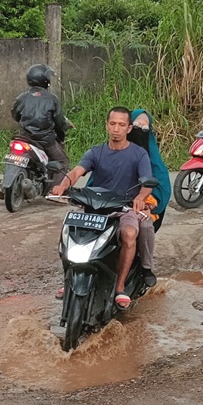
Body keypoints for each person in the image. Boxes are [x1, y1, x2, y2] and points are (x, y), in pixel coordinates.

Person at [51, 106, 154, 310]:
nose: (116, 129)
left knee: (130, 233)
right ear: (107, 125)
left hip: (123, 208)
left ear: (129, 128)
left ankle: (120, 286)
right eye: (113, 124)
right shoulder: (96, 152)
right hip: (95, 208)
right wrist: (62, 186)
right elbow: (77, 171)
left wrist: (141, 198)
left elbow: (147, 183)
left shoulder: (139, 154)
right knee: (67, 232)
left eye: (121, 125)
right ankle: (69, 279)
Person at [125, 109, 171, 287]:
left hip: (143, 209)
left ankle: (146, 268)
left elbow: (162, 188)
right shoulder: (114, 151)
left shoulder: (153, 160)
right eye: (136, 126)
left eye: (144, 128)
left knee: (144, 224)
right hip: (116, 204)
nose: (139, 131)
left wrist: (150, 203)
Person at [10, 64, 73, 189]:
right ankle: (55, 191)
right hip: (45, 140)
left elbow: (15, 115)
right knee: (63, 161)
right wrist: (66, 127)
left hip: (24, 138)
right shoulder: (52, 99)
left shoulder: (21, 98)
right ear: (45, 80)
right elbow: (59, 122)